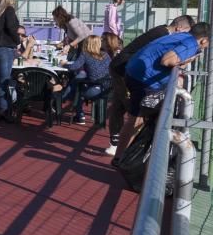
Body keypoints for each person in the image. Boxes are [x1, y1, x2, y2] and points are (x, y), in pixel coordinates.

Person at [112, 22, 209, 163]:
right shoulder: (191, 44)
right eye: (207, 44)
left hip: (134, 72)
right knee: (137, 119)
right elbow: (167, 60)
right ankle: (124, 158)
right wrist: (184, 62)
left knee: (140, 117)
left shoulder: (182, 36)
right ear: (204, 40)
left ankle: (122, 156)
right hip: (143, 79)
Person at [59, 35, 112, 125]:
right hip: (106, 89)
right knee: (79, 80)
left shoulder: (85, 54)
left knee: (77, 88)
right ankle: (64, 98)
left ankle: (80, 115)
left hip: (92, 89)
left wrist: (63, 64)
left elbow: (74, 67)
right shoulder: (106, 55)